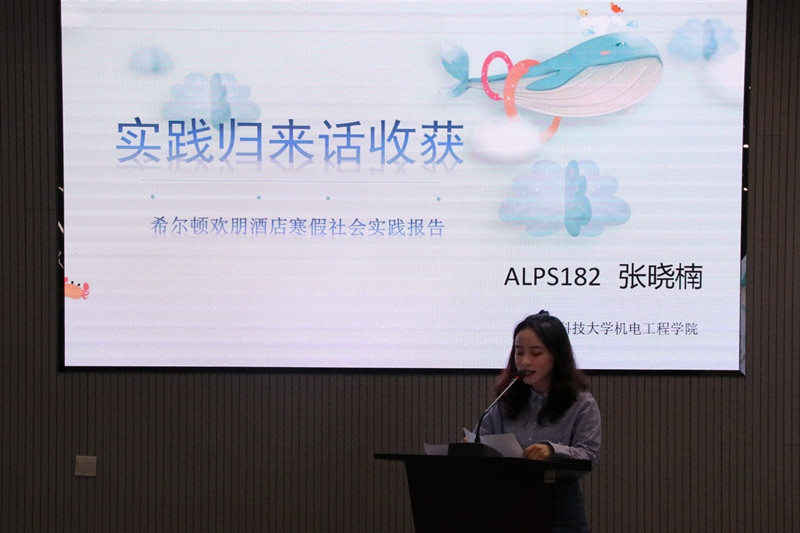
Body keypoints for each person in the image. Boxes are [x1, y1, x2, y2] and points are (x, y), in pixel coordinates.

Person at [475, 311, 601, 533]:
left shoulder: (581, 403)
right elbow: (481, 439)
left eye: (536, 353)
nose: (524, 362)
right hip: (508, 502)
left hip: (559, 505)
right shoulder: (507, 399)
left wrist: (552, 451)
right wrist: (472, 448)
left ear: (556, 355)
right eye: (519, 352)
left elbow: (589, 456)